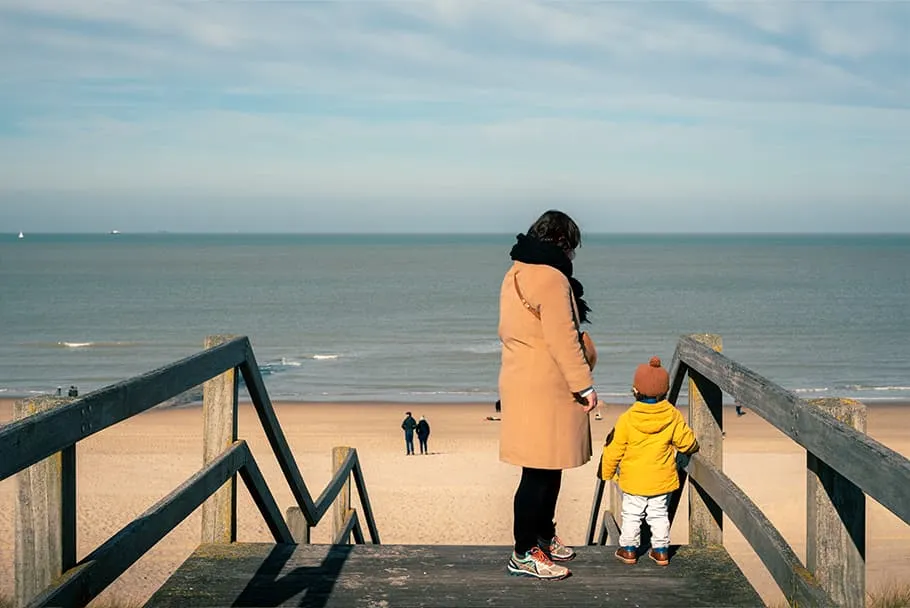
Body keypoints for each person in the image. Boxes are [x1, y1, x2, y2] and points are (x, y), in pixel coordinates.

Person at [499, 210, 598, 581]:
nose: (573, 255)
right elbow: (563, 338)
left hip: (523, 380)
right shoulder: (551, 278)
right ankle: (524, 552)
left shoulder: (516, 272)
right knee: (539, 473)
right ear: (562, 242)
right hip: (547, 385)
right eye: (571, 246)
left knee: (545, 464)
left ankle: (542, 536)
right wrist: (584, 385)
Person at [600, 356, 699, 567]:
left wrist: (606, 472)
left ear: (635, 391)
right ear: (665, 391)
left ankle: (628, 550)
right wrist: (692, 447)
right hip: (661, 479)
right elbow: (686, 442)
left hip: (634, 480)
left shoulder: (627, 418)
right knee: (659, 515)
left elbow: (614, 449)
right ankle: (661, 550)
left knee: (632, 514)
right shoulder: (672, 415)